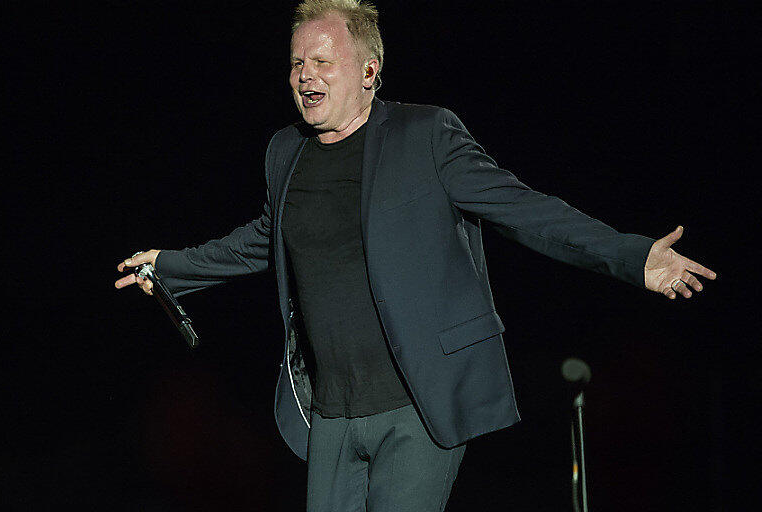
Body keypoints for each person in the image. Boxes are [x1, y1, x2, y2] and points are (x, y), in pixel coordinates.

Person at [114, 1, 716, 510]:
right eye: (297, 62)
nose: (304, 75)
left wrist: (633, 257)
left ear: (369, 69)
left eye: (323, 60)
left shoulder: (425, 136)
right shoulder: (284, 153)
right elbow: (262, 241)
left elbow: (524, 209)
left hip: (418, 407)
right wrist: (170, 267)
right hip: (330, 416)